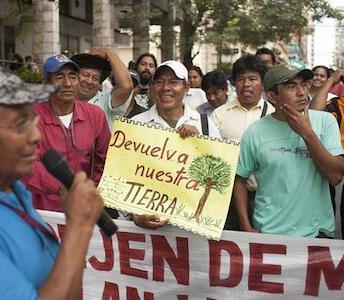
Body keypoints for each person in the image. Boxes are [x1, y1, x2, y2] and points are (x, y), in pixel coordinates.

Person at [0, 61, 104, 299]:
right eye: (20, 125)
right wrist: (79, 228)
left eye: (33, 121)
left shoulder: (8, 187)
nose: (36, 135)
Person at [234, 63, 344, 238]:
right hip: (268, 232)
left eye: (303, 84)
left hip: (317, 233)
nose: (301, 92)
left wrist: (307, 134)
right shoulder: (255, 132)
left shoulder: (325, 122)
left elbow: (336, 176)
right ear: (272, 96)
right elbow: (240, 181)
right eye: (291, 87)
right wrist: (245, 226)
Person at [131, 60, 221, 229]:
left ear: (186, 88)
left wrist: (200, 143)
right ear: (152, 88)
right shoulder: (136, 124)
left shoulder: (205, 125)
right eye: (159, 82)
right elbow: (123, 174)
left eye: (173, 82)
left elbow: (219, 175)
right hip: (147, 229)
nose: (165, 88)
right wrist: (135, 215)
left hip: (193, 226)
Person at [24, 54, 110, 212]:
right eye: (59, 77)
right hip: (43, 210)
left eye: (73, 76)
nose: (68, 83)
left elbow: (104, 159)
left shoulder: (95, 115)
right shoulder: (31, 116)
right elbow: (28, 164)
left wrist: (94, 189)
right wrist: (60, 187)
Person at [211, 55, 274, 230]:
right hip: (225, 198)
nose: (246, 84)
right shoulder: (219, 115)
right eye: (241, 79)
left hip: (262, 199)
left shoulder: (274, 115)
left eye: (252, 79)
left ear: (262, 83)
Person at [71, 48, 133, 129]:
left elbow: (126, 86)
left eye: (95, 78)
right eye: (86, 75)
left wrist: (109, 52)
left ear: (99, 84)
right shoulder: (62, 101)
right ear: (75, 76)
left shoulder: (106, 101)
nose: (89, 81)